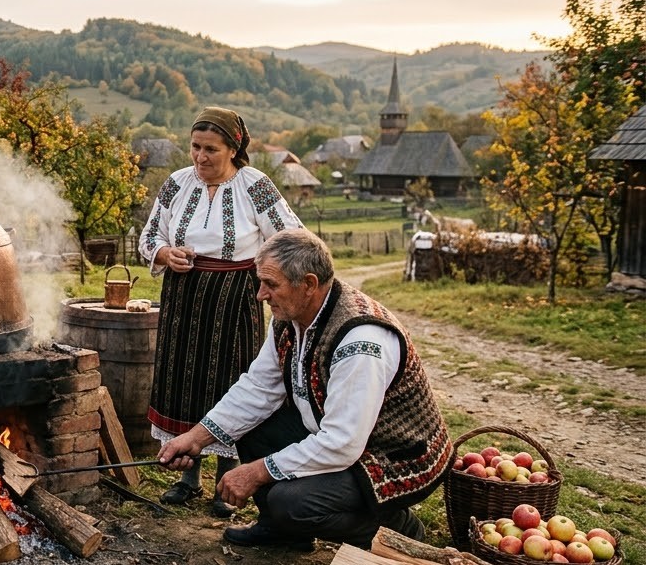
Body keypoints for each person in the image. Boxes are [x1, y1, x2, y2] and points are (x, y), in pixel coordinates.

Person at [157, 228, 453, 549]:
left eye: (271, 284)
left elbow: (342, 443)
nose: (260, 294)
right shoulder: (291, 314)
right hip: (345, 438)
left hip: (396, 455)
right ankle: (282, 533)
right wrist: (197, 437)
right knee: (250, 430)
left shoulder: (361, 341)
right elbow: (259, 387)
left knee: (292, 503)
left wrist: (257, 472)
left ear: (309, 284)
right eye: (261, 282)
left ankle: (394, 526)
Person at [137, 106, 304, 517]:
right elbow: (148, 234)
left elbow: (290, 236)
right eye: (195, 147)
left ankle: (225, 481)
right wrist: (163, 251)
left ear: (233, 148)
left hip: (236, 296)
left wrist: (265, 276)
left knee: (230, 379)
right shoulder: (176, 183)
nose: (200, 157)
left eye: (211, 149)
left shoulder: (255, 185)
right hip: (183, 294)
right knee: (183, 379)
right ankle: (187, 477)